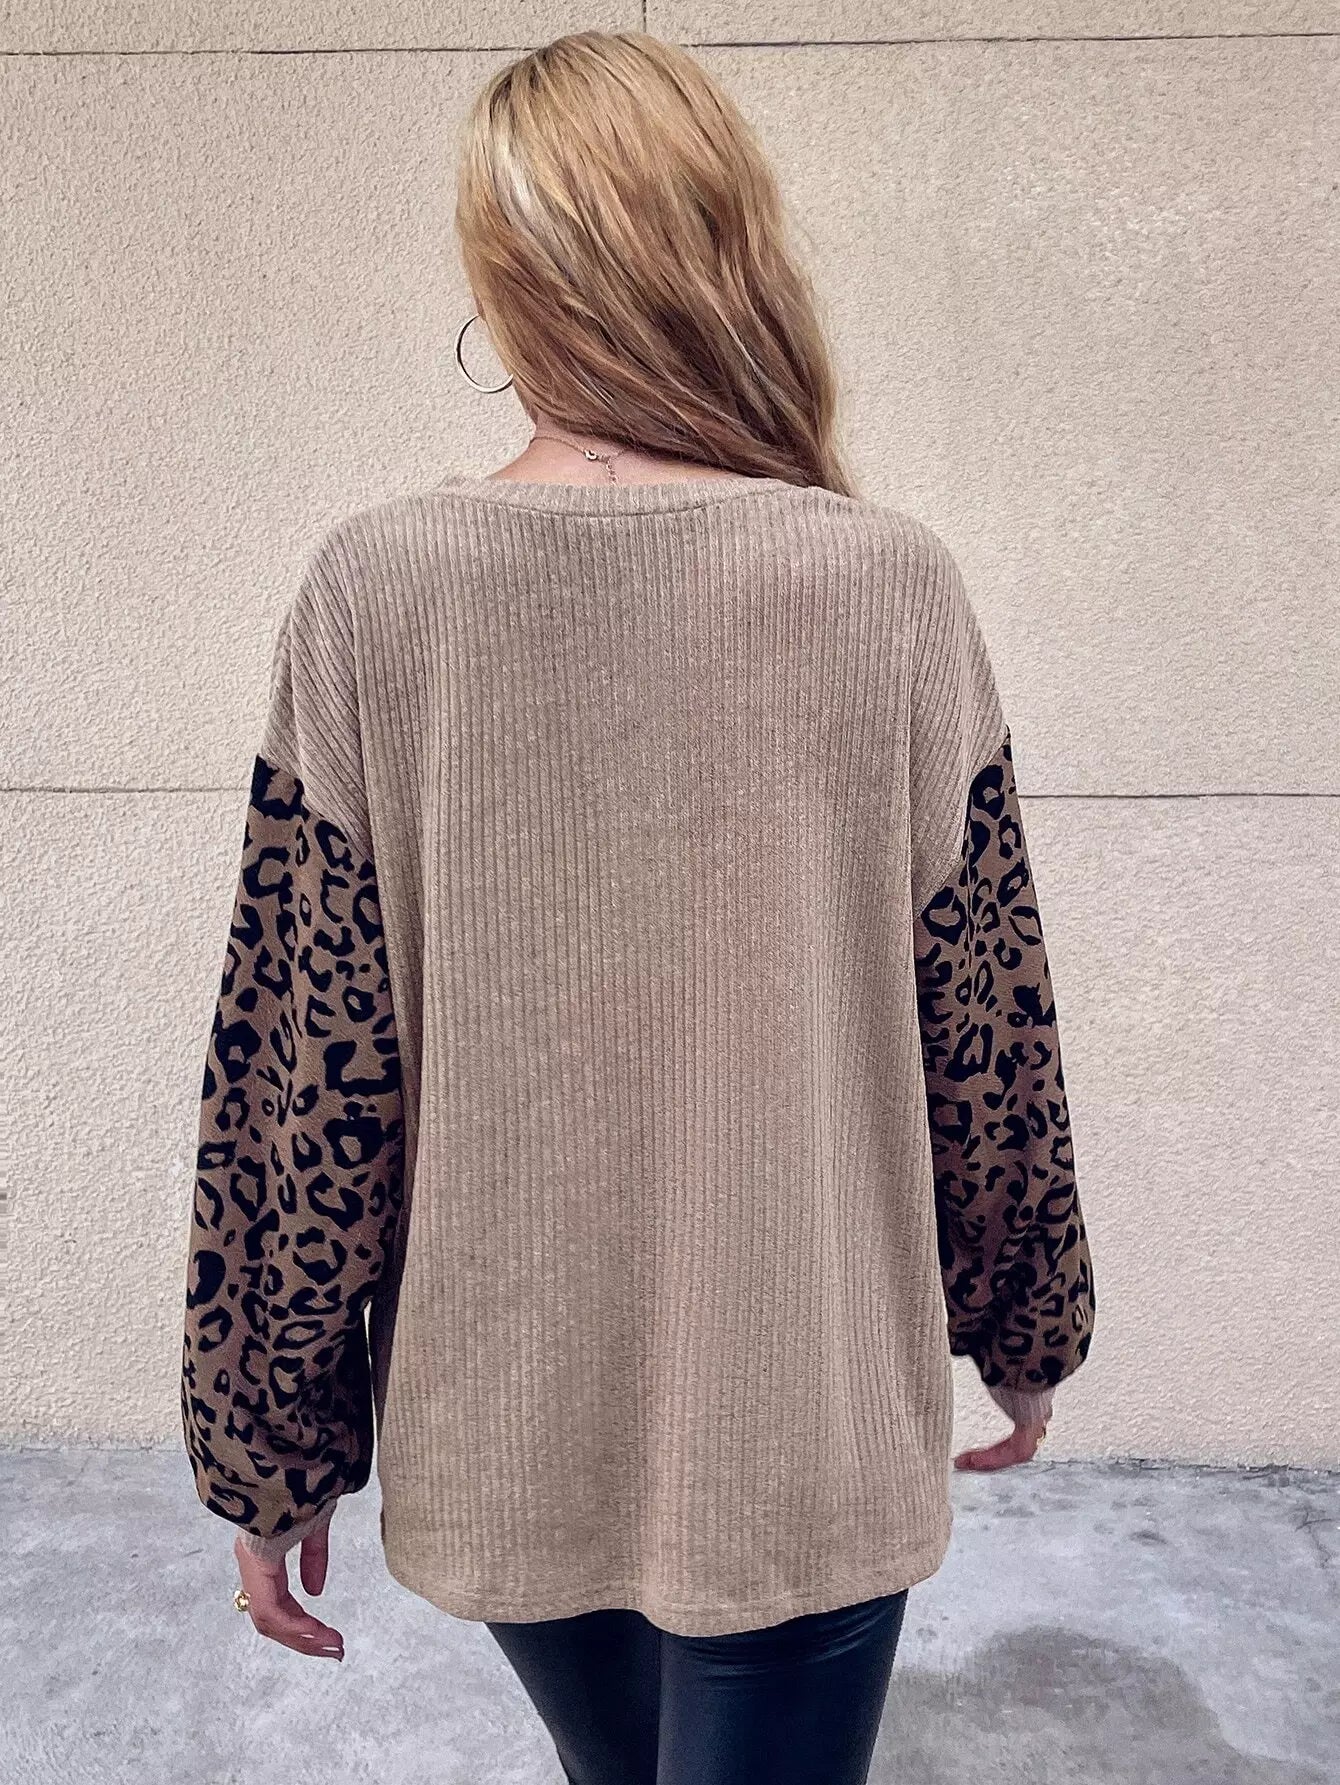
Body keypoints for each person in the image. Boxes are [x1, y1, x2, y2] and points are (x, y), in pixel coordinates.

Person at [180, 28, 1095, 1785]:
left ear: (503, 280)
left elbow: (301, 1079)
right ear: (734, 252)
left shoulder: (377, 591)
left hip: (514, 1427)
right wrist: (1026, 1324)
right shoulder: (884, 584)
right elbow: (989, 1030)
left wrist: (268, 1446)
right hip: (803, 1429)